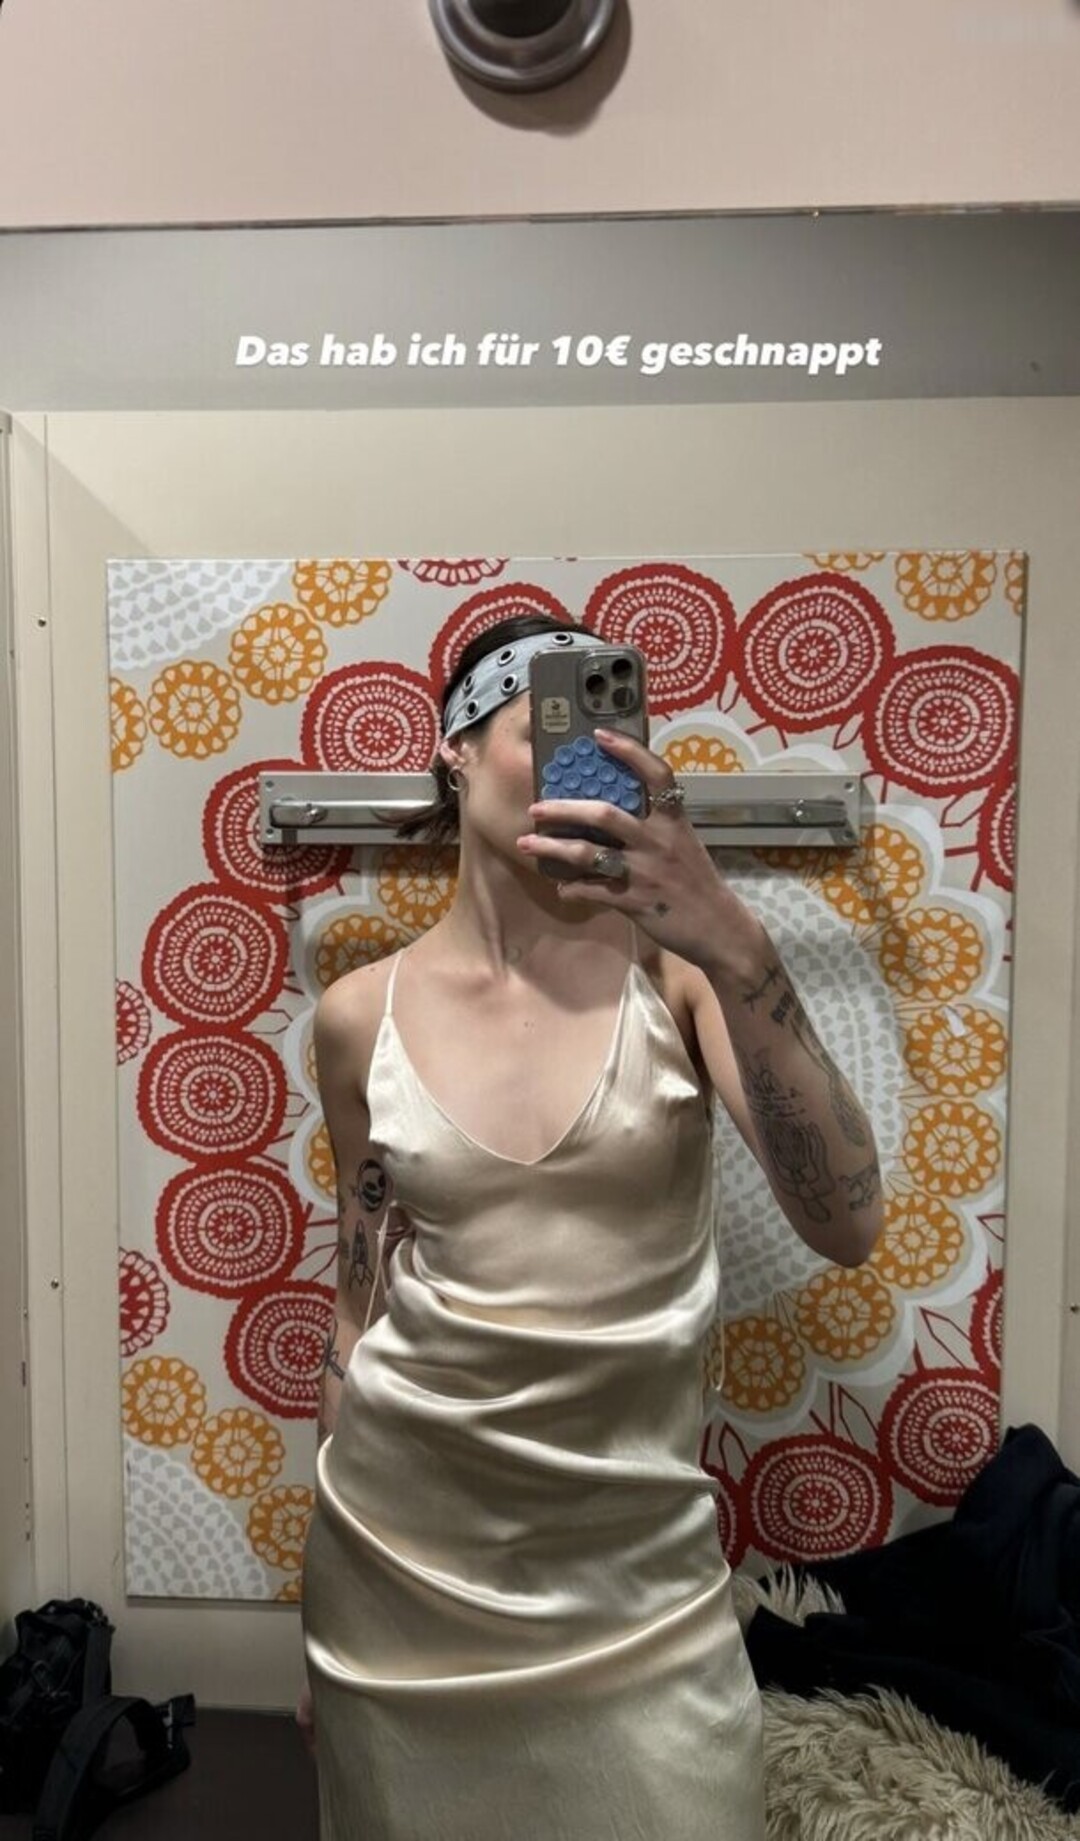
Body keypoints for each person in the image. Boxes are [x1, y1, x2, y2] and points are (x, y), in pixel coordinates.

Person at [297, 612, 883, 1840]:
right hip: (402, 1567)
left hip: (638, 1582)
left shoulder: (679, 977)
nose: (590, 757)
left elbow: (847, 1221)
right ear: (456, 747)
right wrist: (323, 1560)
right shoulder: (358, 1014)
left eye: (613, 731)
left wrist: (732, 935)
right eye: (550, 725)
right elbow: (362, 1280)